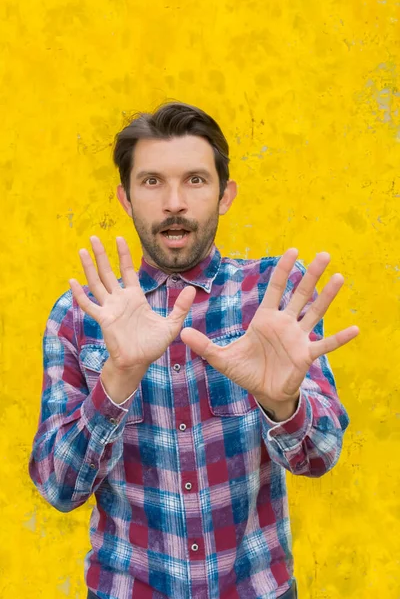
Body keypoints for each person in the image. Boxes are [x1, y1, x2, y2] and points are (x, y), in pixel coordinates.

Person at [29, 102, 359, 599]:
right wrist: (118, 378)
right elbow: (58, 488)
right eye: (152, 181)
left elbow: (321, 457)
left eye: (196, 181)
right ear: (125, 197)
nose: (175, 202)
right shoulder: (79, 315)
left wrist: (283, 404)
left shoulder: (271, 298)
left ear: (226, 195)